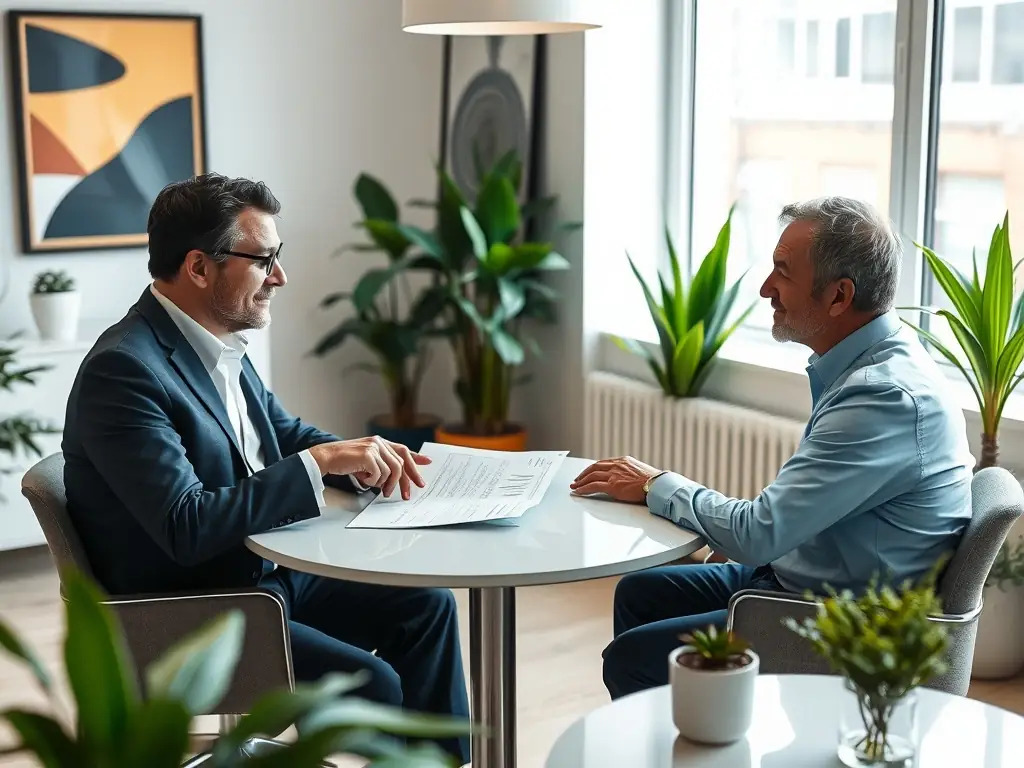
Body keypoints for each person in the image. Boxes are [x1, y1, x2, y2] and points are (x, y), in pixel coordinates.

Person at [62, 173, 469, 763]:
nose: (280, 277)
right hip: (194, 611)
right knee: (369, 685)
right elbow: (187, 525)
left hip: (258, 574)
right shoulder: (124, 371)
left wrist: (358, 459)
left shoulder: (213, 340)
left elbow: (280, 433)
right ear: (200, 268)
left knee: (427, 606)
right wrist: (316, 463)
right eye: (263, 260)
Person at [571, 197, 974, 700]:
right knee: (641, 594)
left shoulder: (883, 397)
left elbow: (759, 533)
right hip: (807, 580)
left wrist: (655, 484)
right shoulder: (874, 364)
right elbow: (785, 520)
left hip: (837, 621)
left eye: (782, 272)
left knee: (632, 659)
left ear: (838, 297)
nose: (765, 288)